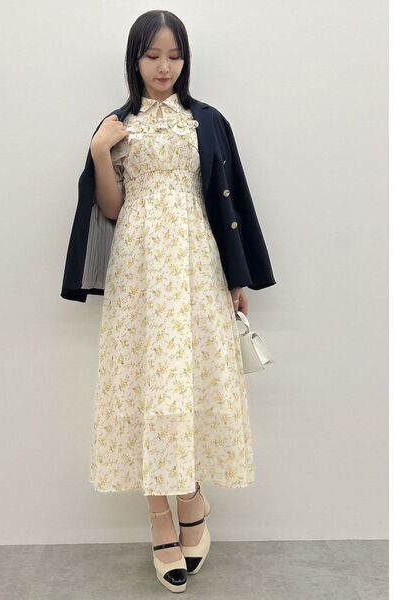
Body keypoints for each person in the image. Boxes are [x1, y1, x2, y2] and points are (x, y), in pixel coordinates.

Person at [83, 10, 276, 593]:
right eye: (152, 56)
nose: (164, 67)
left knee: (190, 384)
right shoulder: (118, 125)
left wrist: (236, 279)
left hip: (195, 266)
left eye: (173, 56)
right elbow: (110, 209)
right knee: (146, 385)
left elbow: (230, 202)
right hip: (139, 274)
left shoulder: (207, 122)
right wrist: (99, 152)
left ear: (185, 60)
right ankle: (160, 519)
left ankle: (190, 496)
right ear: (135, 60)